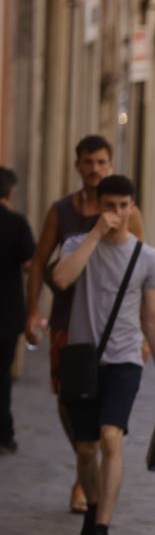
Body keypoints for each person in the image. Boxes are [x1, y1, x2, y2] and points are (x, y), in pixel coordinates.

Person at [51, 175, 155, 535]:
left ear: (132, 208)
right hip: (83, 359)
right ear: (98, 205)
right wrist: (93, 235)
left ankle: (103, 528)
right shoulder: (77, 245)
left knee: (110, 437)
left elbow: (153, 319)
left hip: (124, 359)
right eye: (110, 206)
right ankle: (92, 512)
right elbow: (59, 279)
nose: (117, 214)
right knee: (86, 449)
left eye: (124, 206)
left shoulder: (147, 257)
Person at [25, 135, 145, 514]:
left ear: (110, 165)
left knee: (104, 416)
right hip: (67, 320)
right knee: (67, 401)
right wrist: (32, 311)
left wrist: (140, 329)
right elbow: (39, 261)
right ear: (77, 166)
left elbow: (138, 271)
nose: (94, 169)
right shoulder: (61, 212)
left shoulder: (129, 211)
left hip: (113, 323)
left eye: (101, 162)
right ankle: (84, 454)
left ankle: (86, 475)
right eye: (88, 162)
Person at [1, 167, 35, 454]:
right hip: (7, 311)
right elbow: (29, 264)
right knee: (2, 374)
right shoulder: (17, 223)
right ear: (10, 192)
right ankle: (4, 433)